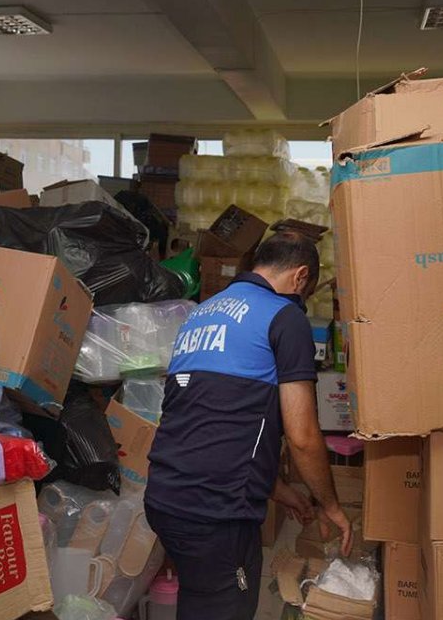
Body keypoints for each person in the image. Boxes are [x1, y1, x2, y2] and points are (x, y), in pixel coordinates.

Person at [144, 231, 352, 620]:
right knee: (227, 607)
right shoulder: (284, 316)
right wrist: (331, 506)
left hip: (166, 498)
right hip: (214, 512)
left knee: (200, 597)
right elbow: (303, 436)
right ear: (301, 276)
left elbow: (216, 424)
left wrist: (282, 491)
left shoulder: (203, 312)